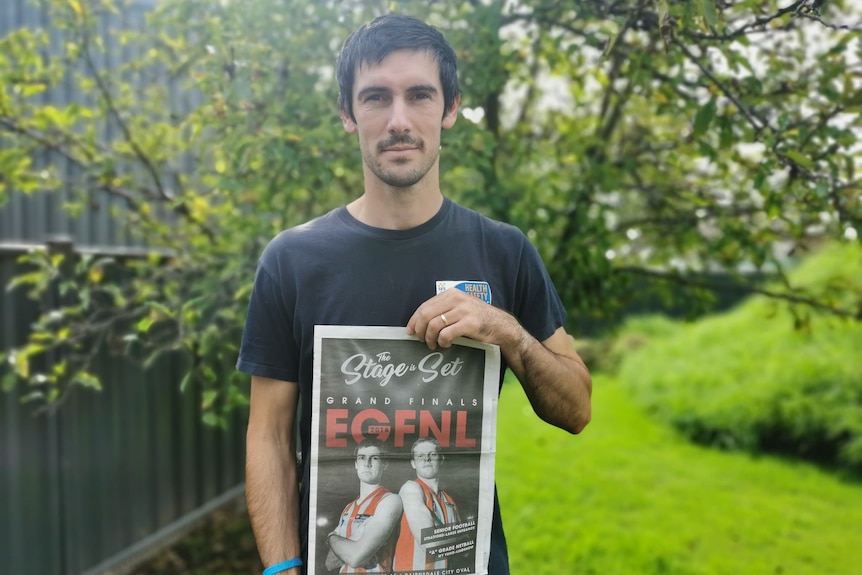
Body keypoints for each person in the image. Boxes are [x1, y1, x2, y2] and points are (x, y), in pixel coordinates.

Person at [238, 13, 592, 575]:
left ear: (449, 108)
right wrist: (282, 570)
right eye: (376, 97)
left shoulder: (503, 251)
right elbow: (269, 436)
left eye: (419, 95)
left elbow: (576, 408)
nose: (398, 120)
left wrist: (507, 332)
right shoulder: (293, 260)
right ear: (348, 114)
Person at [325, 439, 402, 573]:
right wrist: (357, 538)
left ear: (385, 464)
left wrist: (331, 537)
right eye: (362, 458)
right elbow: (330, 562)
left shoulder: (390, 500)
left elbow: (356, 558)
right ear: (356, 464)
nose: (367, 463)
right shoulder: (348, 508)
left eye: (374, 458)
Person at [394, 438, 459, 571]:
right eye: (420, 456)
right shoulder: (411, 488)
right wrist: (464, 534)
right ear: (413, 463)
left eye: (432, 454)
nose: (427, 459)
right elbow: (429, 541)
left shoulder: (449, 500)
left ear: (441, 459)